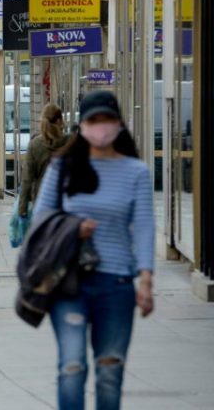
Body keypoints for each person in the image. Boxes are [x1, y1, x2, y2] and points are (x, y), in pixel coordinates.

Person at [33, 91, 154, 410]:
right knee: (72, 367)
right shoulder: (63, 167)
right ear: (82, 125)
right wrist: (73, 226)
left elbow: (143, 226)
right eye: (93, 120)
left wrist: (146, 278)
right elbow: (40, 220)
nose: (101, 127)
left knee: (109, 371)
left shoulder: (135, 171)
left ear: (119, 124)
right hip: (70, 282)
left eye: (107, 120)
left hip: (116, 284)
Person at [18, 103, 69, 218]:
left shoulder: (35, 144)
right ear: (59, 121)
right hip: (66, 203)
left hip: (42, 202)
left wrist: (22, 207)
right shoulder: (70, 142)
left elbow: (27, 178)